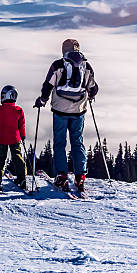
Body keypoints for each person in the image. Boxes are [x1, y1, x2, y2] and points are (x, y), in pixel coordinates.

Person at [34, 39, 98, 192]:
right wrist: (89, 95)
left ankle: (61, 176)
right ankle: (80, 176)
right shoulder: (86, 65)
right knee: (77, 141)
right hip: (79, 110)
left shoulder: (58, 65)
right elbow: (93, 88)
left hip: (60, 110)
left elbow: (47, 85)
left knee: (60, 143)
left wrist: (42, 100)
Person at [0, 85, 27, 192]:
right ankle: (22, 178)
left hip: (1, 138)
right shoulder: (18, 110)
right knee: (17, 157)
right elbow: (21, 125)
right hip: (15, 138)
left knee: (0, 158)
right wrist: (23, 136)